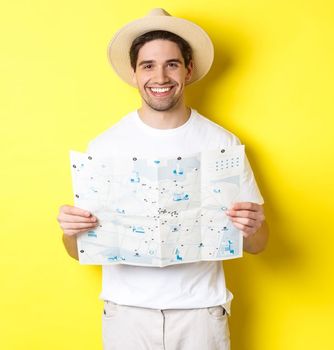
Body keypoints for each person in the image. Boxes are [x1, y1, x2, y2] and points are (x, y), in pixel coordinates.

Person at [55, 8, 268, 350]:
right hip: (126, 315)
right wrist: (70, 232)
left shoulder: (221, 144)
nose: (161, 76)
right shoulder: (106, 146)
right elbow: (78, 252)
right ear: (134, 73)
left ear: (188, 69)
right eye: (148, 65)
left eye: (171, 63)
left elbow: (258, 245)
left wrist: (253, 225)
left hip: (200, 313)